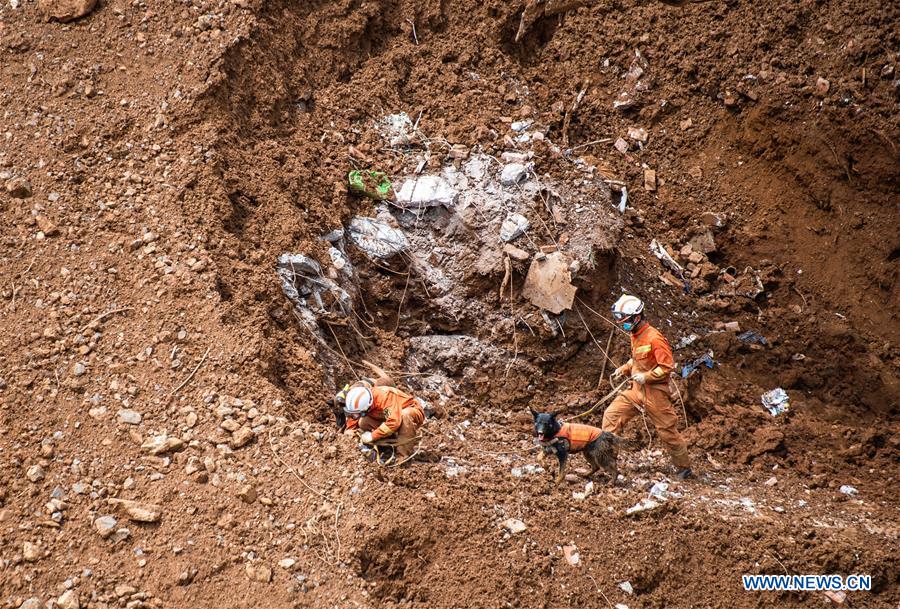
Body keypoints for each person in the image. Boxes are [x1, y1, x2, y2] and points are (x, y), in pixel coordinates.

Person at [602, 294, 693, 479]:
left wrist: (647, 377)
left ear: (637, 318)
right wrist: (625, 368)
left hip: (655, 393)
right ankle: (608, 463)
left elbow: (666, 367)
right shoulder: (635, 335)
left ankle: (684, 468)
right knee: (612, 415)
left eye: (625, 321)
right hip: (636, 390)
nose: (622, 325)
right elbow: (637, 359)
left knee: (667, 431)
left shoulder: (655, 338)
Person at [342, 382, 425, 460]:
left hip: (410, 410)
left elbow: (393, 422)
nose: (354, 416)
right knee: (363, 422)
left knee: (405, 415)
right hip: (388, 415)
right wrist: (350, 430)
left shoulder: (384, 398)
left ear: (366, 408)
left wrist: (372, 436)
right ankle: (388, 447)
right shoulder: (365, 401)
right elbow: (354, 415)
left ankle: (402, 455)